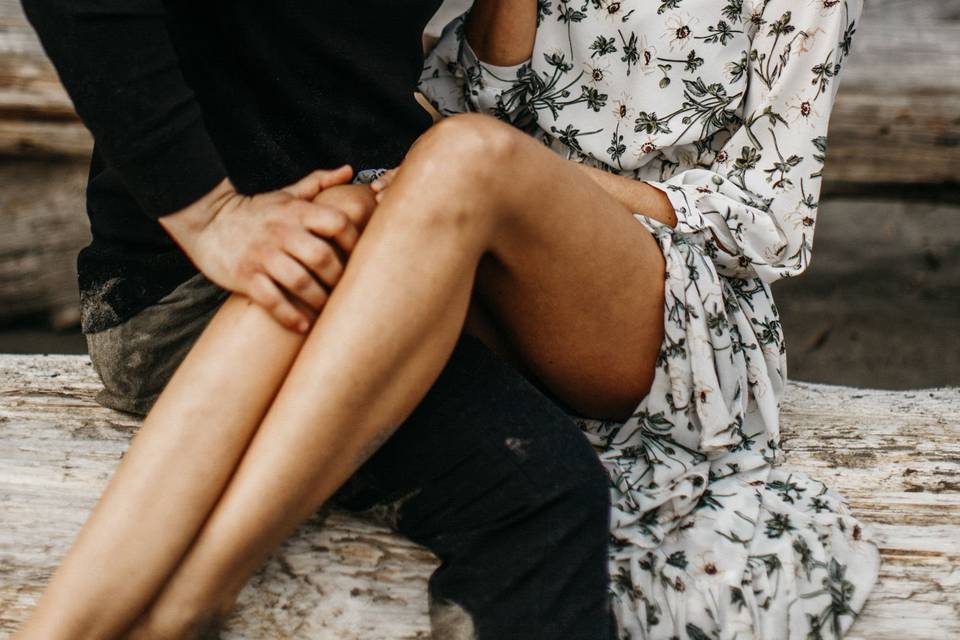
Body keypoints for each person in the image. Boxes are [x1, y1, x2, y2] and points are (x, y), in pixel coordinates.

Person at [15, 1, 615, 639]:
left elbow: (480, 87)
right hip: (211, 284)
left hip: (372, 243)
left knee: (549, 491)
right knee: (538, 496)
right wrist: (207, 212)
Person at [410, 0, 880, 638]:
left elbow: (772, 220)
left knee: (465, 166)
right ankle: (225, 547)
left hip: (672, 308)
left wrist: (540, 183)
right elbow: (481, 103)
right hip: (501, 242)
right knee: (339, 233)